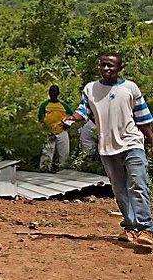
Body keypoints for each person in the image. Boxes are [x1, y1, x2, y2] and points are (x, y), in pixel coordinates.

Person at [63, 53, 153, 246]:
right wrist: (71, 119)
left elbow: (143, 119)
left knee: (138, 185)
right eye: (103, 65)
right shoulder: (91, 89)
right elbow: (83, 111)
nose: (106, 69)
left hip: (132, 143)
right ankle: (130, 227)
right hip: (107, 147)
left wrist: (151, 141)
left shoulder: (130, 88)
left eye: (111, 66)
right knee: (120, 190)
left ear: (120, 68)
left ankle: (146, 228)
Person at [38, 84, 73, 170]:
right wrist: (46, 130)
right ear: (49, 93)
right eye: (52, 92)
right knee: (47, 154)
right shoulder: (44, 105)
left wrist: (67, 124)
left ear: (58, 93)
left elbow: (72, 117)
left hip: (62, 132)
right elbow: (40, 119)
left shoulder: (64, 105)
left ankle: (63, 170)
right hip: (49, 133)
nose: (53, 93)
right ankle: (45, 170)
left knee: (64, 154)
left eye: (55, 92)